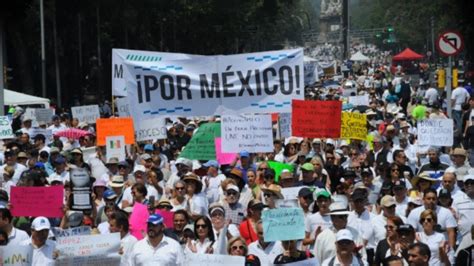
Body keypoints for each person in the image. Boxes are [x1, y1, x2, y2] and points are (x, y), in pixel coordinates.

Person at [453, 175, 474, 240]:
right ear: (464, 186)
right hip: (463, 237)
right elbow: (454, 218)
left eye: (472, 183)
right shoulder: (457, 201)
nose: (469, 185)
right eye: (467, 183)